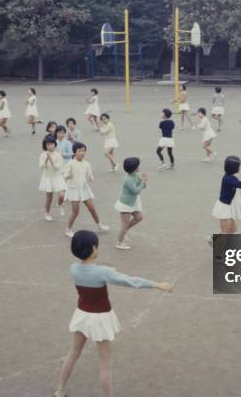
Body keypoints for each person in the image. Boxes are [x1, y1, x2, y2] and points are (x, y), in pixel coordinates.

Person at [54, 230, 172, 397]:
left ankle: (60, 389)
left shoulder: (73, 268)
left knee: (73, 353)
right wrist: (156, 284)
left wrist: (106, 270)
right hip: (100, 318)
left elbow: (90, 271)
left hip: (82, 315)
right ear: (94, 248)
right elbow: (130, 281)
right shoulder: (103, 272)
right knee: (105, 364)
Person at [207, 156, 241, 246]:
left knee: (233, 229)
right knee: (226, 232)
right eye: (239, 166)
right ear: (234, 168)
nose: (240, 167)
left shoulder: (231, 177)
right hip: (223, 208)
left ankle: (213, 239)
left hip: (227, 207)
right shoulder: (228, 179)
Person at [63, 142, 110, 237]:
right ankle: (68, 229)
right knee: (75, 211)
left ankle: (100, 225)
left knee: (92, 208)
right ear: (74, 152)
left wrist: (90, 177)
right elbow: (65, 175)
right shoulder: (71, 163)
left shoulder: (87, 164)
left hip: (84, 189)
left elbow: (90, 175)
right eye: (79, 151)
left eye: (84, 151)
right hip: (74, 190)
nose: (82, 153)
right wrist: (68, 175)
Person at [114, 157, 147, 250]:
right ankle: (119, 243)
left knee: (139, 217)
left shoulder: (135, 175)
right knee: (124, 224)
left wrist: (143, 180)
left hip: (133, 202)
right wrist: (143, 182)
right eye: (138, 165)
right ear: (134, 167)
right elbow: (136, 190)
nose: (139, 166)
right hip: (125, 204)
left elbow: (142, 186)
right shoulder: (128, 179)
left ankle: (124, 232)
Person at [39, 135, 66, 221]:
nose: (50, 146)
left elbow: (58, 167)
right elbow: (41, 166)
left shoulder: (58, 155)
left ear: (55, 144)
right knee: (49, 198)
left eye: (51, 144)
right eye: (48, 144)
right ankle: (47, 213)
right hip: (48, 178)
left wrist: (51, 161)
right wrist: (46, 160)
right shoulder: (43, 154)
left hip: (57, 177)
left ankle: (59, 205)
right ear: (45, 145)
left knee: (62, 195)